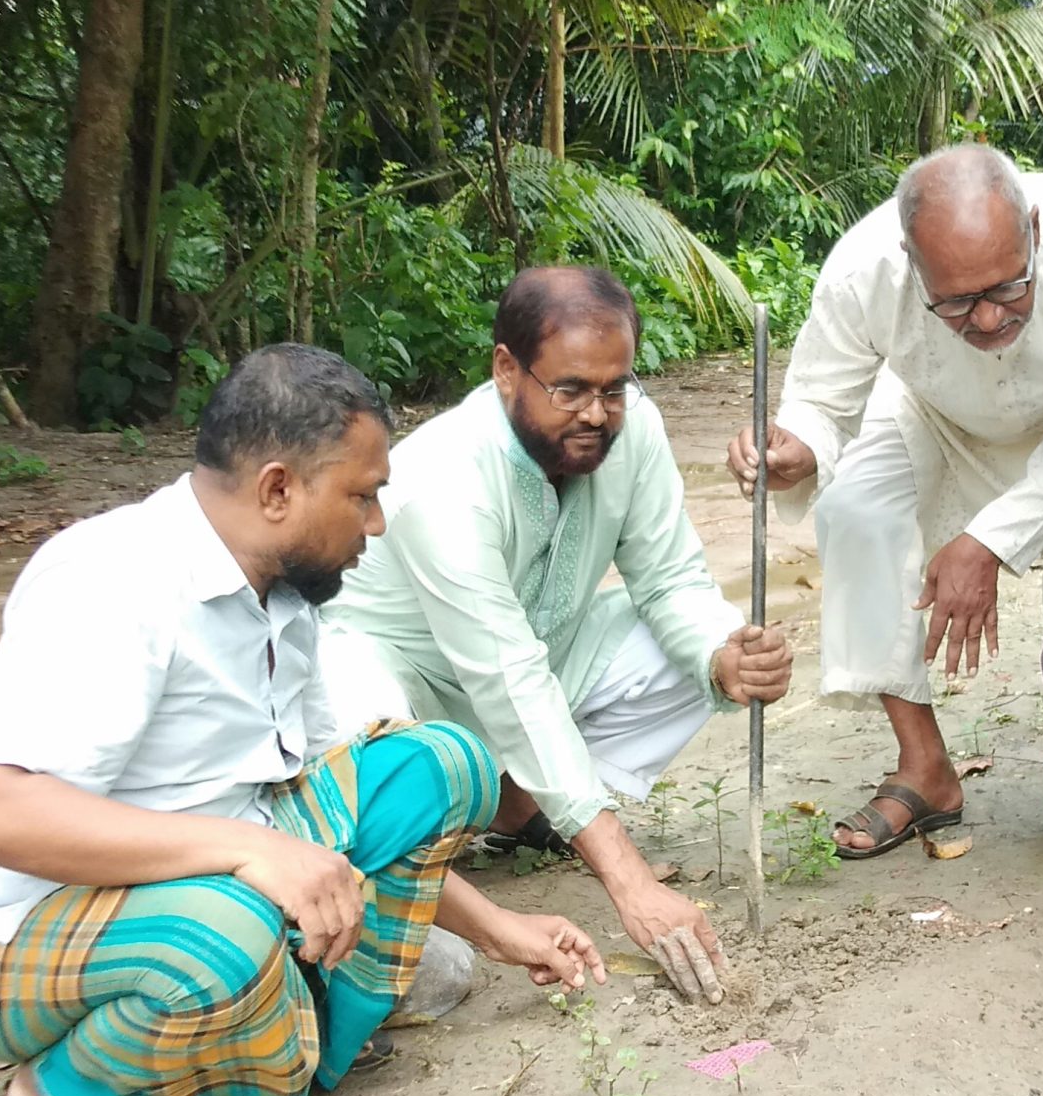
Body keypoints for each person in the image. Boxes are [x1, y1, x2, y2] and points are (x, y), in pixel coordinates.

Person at [0, 344, 608, 1096]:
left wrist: (502, 929)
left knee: (442, 764)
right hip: (24, 936)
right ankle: (65, 1090)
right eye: (361, 496)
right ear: (278, 490)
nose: (378, 523)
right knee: (232, 933)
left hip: (216, 879)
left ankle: (295, 1034)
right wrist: (248, 851)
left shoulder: (287, 594)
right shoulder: (111, 580)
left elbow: (322, 804)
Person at [323, 267, 793, 1007]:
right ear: (506, 369)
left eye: (614, 389)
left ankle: (518, 807)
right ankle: (443, 851)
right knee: (358, 730)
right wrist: (629, 882)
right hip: (414, 691)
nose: (598, 415)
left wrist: (722, 653)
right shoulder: (443, 477)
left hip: (538, 662)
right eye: (570, 390)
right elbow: (508, 679)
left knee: (689, 646)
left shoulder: (634, 428)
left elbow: (669, 579)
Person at [725, 144, 1043, 870]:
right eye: (955, 301)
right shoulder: (863, 269)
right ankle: (925, 765)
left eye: (1009, 288)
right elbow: (821, 402)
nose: (988, 319)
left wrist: (983, 542)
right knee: (853, 507)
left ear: (1037, 231)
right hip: (932, 414)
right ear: (909, 260)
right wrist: (797, 449)